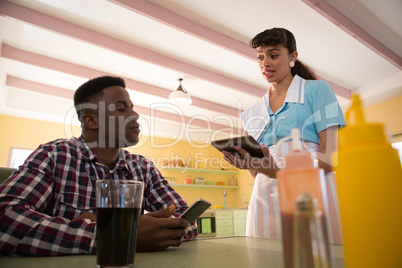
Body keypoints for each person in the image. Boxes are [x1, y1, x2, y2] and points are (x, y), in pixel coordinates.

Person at [0, 76, 197, 256]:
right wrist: (118, 237)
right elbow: (6, 218)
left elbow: (187, 218)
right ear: (91, 120)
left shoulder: (143, 167)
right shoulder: (54, 155)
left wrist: (110, 226)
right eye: (121, 108)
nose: (135, 115)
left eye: (132, 107)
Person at [222, 28, 346, 243]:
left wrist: (279, 172)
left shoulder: (317, 90)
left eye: (273, 55)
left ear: (292, 57)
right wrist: (249, 163)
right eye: (260, 57)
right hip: (264, 199)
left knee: (314, 257)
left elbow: (330, 157)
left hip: (312, 194)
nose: (265, 63)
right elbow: (257, 169)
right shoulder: (252, 112)